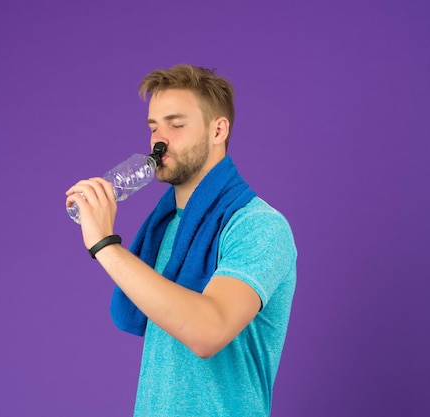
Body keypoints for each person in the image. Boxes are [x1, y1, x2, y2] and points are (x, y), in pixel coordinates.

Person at [65, 64, 297, 417]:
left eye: (176, 125)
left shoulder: (258, 225)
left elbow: (208, 330)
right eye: (154, 127)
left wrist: (106, 246)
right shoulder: (168, 227)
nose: (160, 139)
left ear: (218, 130)